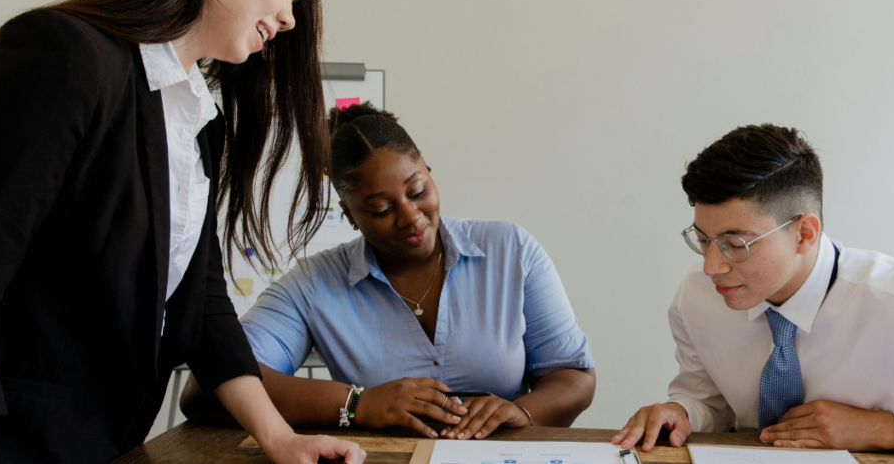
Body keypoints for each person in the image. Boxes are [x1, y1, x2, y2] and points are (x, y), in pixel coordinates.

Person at [0, 0, 366, 463]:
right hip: (4, 443)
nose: (290, 17)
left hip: (110, 445)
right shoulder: (62, 53)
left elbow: (201, 304)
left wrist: (280, 437)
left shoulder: (198, 121)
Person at [181, 103, 596, 440]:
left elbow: (573, 375)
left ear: (429, 171)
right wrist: (357, 404)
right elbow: (205, 389)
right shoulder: (314, 284)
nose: (411, 216)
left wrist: (524, 412)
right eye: (381, 209)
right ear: (349, 216)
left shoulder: (510, 249)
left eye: (418, 190)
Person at [613, 124, 894, 463]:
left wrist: (882, 429)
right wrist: (683, 411)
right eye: (703, 240)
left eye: (735, 244)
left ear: (804, 234)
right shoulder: (698, 294)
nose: (712, 266)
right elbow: (711, 401)